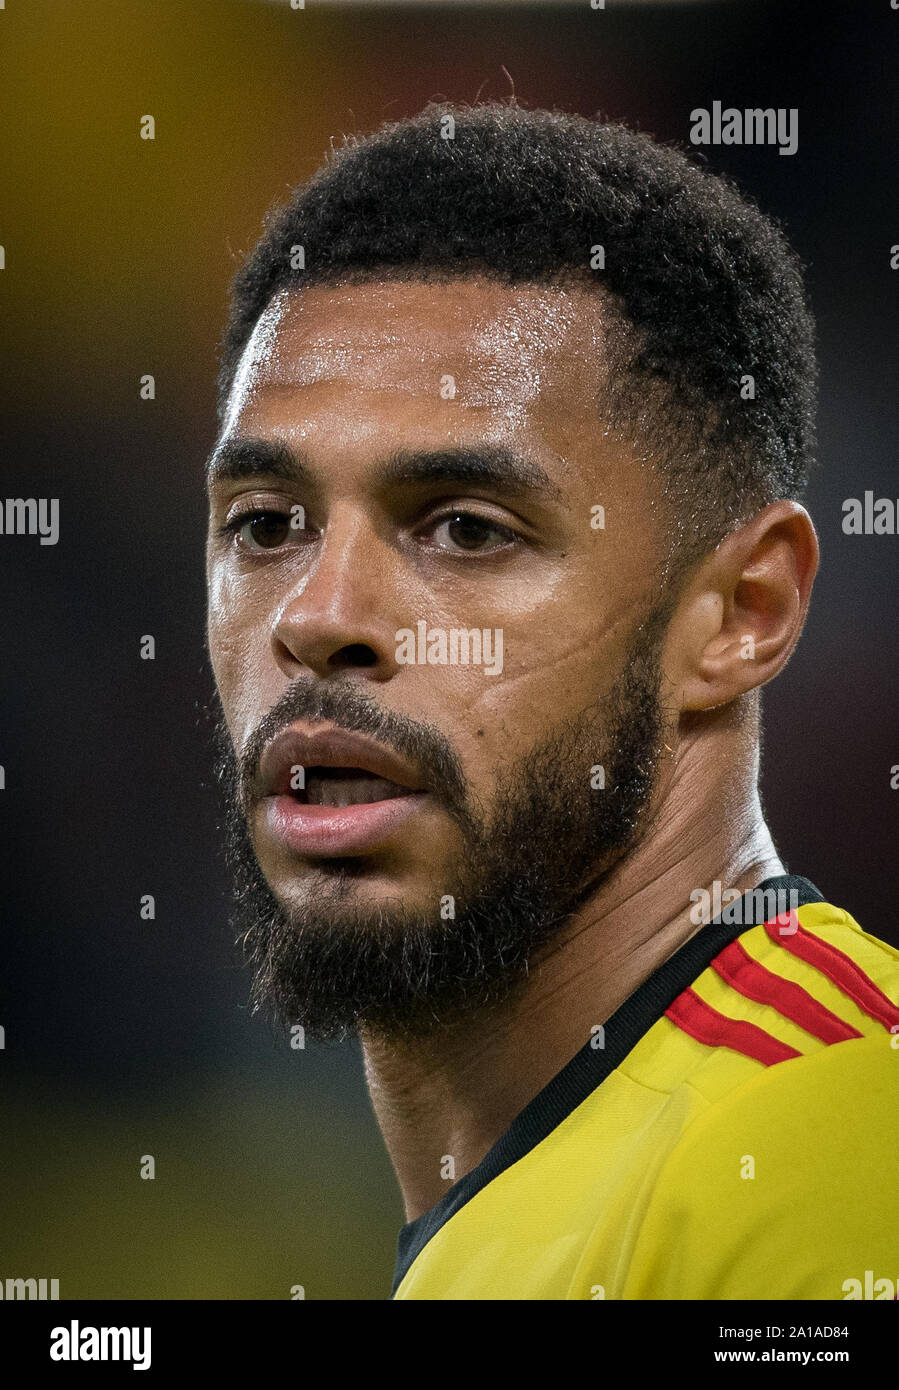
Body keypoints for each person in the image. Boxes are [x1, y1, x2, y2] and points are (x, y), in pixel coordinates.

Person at [205, 102, 899, 1299]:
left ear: (741, 613)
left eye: (466, 528)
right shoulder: (581, 1187)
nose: (315, 617)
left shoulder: (825, 1132)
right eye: (266, 525)